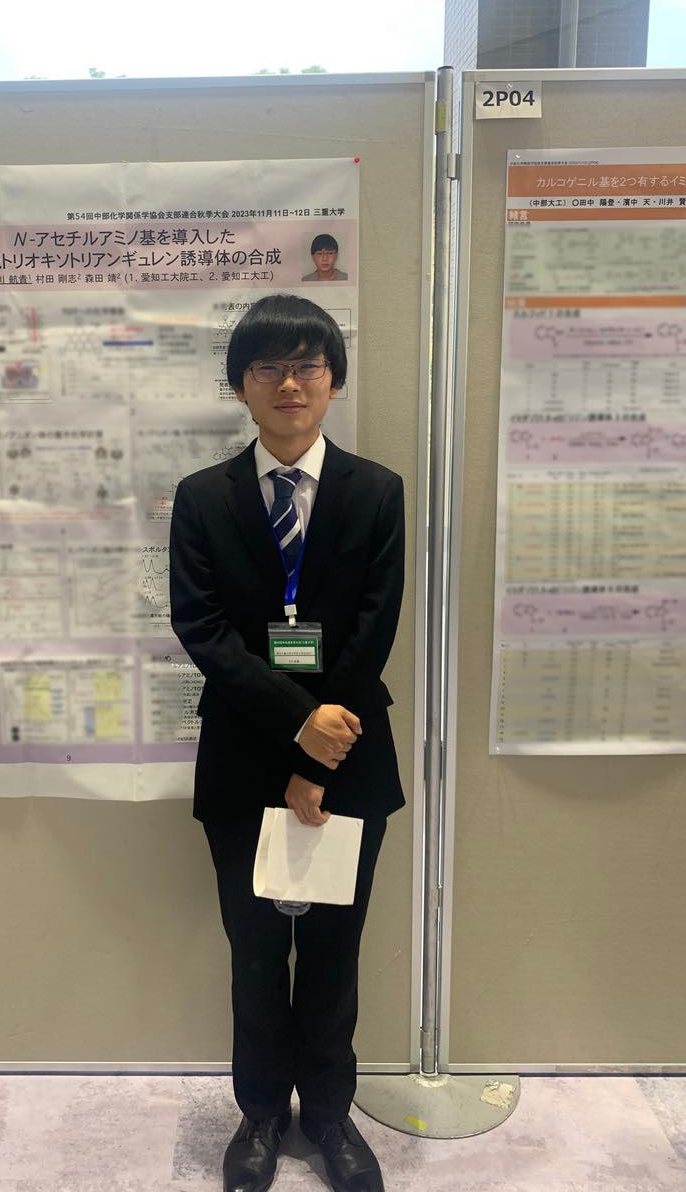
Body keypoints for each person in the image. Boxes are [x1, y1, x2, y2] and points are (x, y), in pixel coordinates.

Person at [170, 296, 404, 1192]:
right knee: (257, 952)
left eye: (308, 364)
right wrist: (296, 725)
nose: (290, 383)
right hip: (242, 757)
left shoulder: (377, 491)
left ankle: (332, 1116)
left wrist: (316, 755)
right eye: (268, 367)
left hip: (350, 757)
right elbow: (203, 629)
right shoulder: (203, 498)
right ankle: (262, 1113)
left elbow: (374, 630)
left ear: (334, 381)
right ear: (241, 386)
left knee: (336, 952)